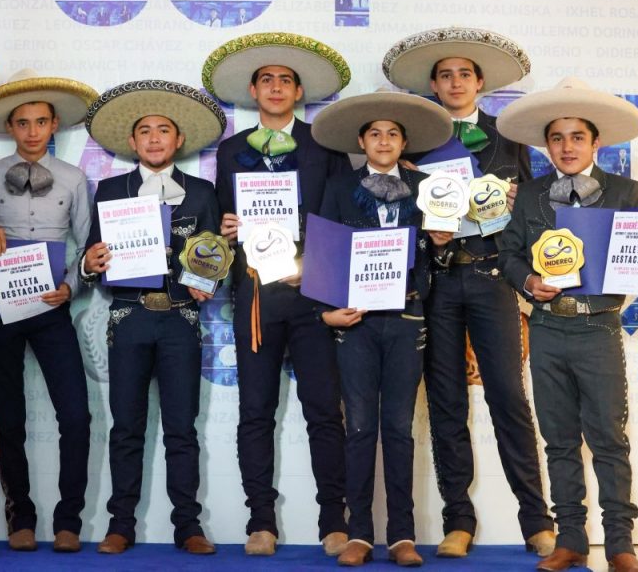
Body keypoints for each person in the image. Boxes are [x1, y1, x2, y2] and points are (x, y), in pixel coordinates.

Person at [382, 26, 554, 558]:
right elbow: (394, 216)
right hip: (436, 281)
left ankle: (537, 520)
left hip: (492, 277)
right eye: (445, 75)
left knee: (509, 397)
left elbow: (529, 213)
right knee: (446, 401)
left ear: (480, 83)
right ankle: (458, 519)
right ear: (433, 86)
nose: (455, 82)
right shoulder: (417, 137)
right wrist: (415, 204)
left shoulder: (509, 136)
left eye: (464, 74)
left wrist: (517, 203)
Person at [496, 77, 638, 572]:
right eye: (557, 138)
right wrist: (529, 280)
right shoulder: (529, 194)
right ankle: (570, 539)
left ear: (597, 143)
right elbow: (508, 255)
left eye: (577, 137)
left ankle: (620, 545)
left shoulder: (626, 191)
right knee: (559, 440)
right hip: (547, 328)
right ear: (546, 145)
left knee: (609, 440)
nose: (567, 147)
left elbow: (637, 254)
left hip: (599, 328)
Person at [202, 32, 351, 556]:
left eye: (285, 80)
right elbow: (224, 221)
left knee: (324, 411)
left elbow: (340, 217)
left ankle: (334, 522)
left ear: (298, 91)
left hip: (313, 293)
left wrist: (314, 268)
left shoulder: (324, 145)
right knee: (255, 411)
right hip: (256, 295)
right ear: (253, 90)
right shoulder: (231, 150)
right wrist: (226, 229)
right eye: (266, 79)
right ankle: (260, 522)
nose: (276, 87)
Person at [80, 79, 225, 556]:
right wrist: (91, 263)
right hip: (129, 317)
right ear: (132, 141)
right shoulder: (110, 190)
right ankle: (120, 524)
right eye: (145, 131)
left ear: (179, 140)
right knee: (126, 427)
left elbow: (213, 255)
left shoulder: (202, 192)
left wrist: (208, 281)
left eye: (164, 130)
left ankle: (188, 526)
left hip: (182, 318)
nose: (155, 138)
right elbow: (91, 256)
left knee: (182, 428)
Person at [309, 92, 453, 566]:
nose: (384, 141)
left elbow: (443, 258)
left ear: (404, 143)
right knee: (359, 428)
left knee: (398, 428)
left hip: (408, 317)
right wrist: (326, 311)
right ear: (361, 142)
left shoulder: (428, 187)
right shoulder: (338, 187)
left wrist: (441, 243)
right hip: (357, 322)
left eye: (393, 134)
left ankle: (402, 536)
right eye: (375, 134)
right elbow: (323, 252)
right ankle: (358, 534)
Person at [0, 69, 99, 553]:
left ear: (54, 124)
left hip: (51, 308)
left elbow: (89, 245)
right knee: (9, 417)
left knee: (76, 415)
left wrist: (71, 285)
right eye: (23, 122)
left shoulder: (74, 179)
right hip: (0, 310)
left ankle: (69, 521)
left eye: (41, 121)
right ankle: (19, 516)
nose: (33, 131)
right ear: (10, 127)